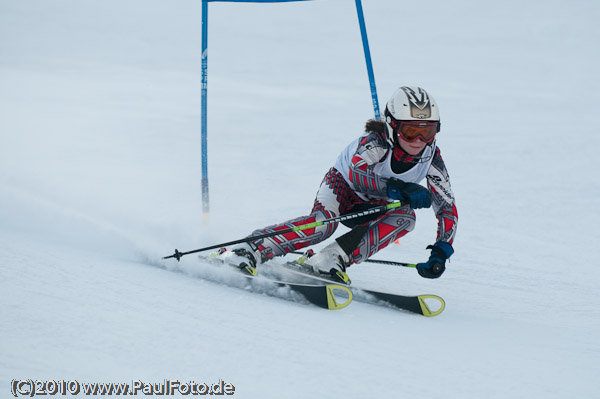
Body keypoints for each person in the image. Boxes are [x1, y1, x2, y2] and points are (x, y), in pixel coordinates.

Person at [221, 86, 458, 283]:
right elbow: (358, 175)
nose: (419, 141)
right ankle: (249, 248)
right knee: (322, 225)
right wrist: (400, 188)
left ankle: (331, 258)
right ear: (392, 126)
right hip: (342, 190)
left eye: (427, 132)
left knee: (406, 218)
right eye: (409, 132)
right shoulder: (375, 144)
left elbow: (447, 207)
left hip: (374, 205)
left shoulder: (431, 158)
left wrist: (441, 251)